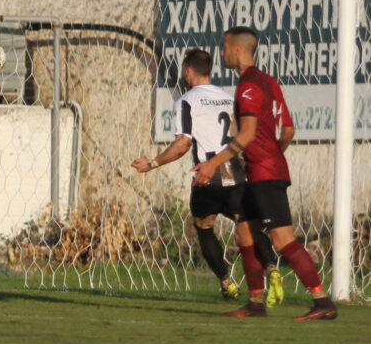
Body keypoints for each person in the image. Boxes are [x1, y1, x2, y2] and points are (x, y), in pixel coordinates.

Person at [192, 26, 337, 321]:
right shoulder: (268, 82)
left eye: (224, 47)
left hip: (264, 174)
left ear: (236, 49)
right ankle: (255, 304)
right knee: (245, 233)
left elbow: (246, 134)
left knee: (283, 240)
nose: (221, 53)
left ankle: (322, 302)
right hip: (261, 170)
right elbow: (289, 130)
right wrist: (273, 154)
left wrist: (212, 163)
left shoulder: (247, 86)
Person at [132, 48, 281, 303]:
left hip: (208, 175)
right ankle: (272, 268)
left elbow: (182, 144)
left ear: (188, 71)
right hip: (235, 172)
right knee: (248, 224)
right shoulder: (228, 98)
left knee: (204, 226)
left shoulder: (186, 100)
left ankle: (227, 283)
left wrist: (152, 163)